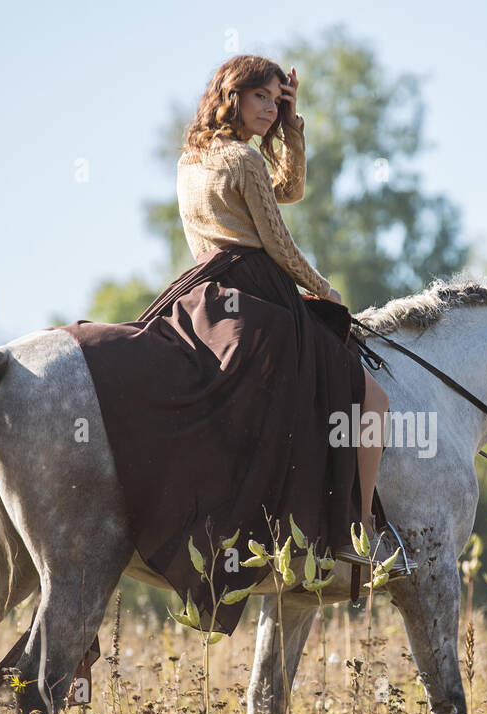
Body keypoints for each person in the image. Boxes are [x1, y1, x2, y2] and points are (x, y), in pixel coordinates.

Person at [62, 54, 412, 636]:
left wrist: (290, 130)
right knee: (370, 400)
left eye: (279, 101)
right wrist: (327, 294)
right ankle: (359, 537)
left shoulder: (191, 161)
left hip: (202, 295)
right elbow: (278, 241)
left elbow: (286, 190)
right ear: (233, 96)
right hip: (258, 293)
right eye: (263, 99)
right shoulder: (244, 159)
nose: (272, 109)